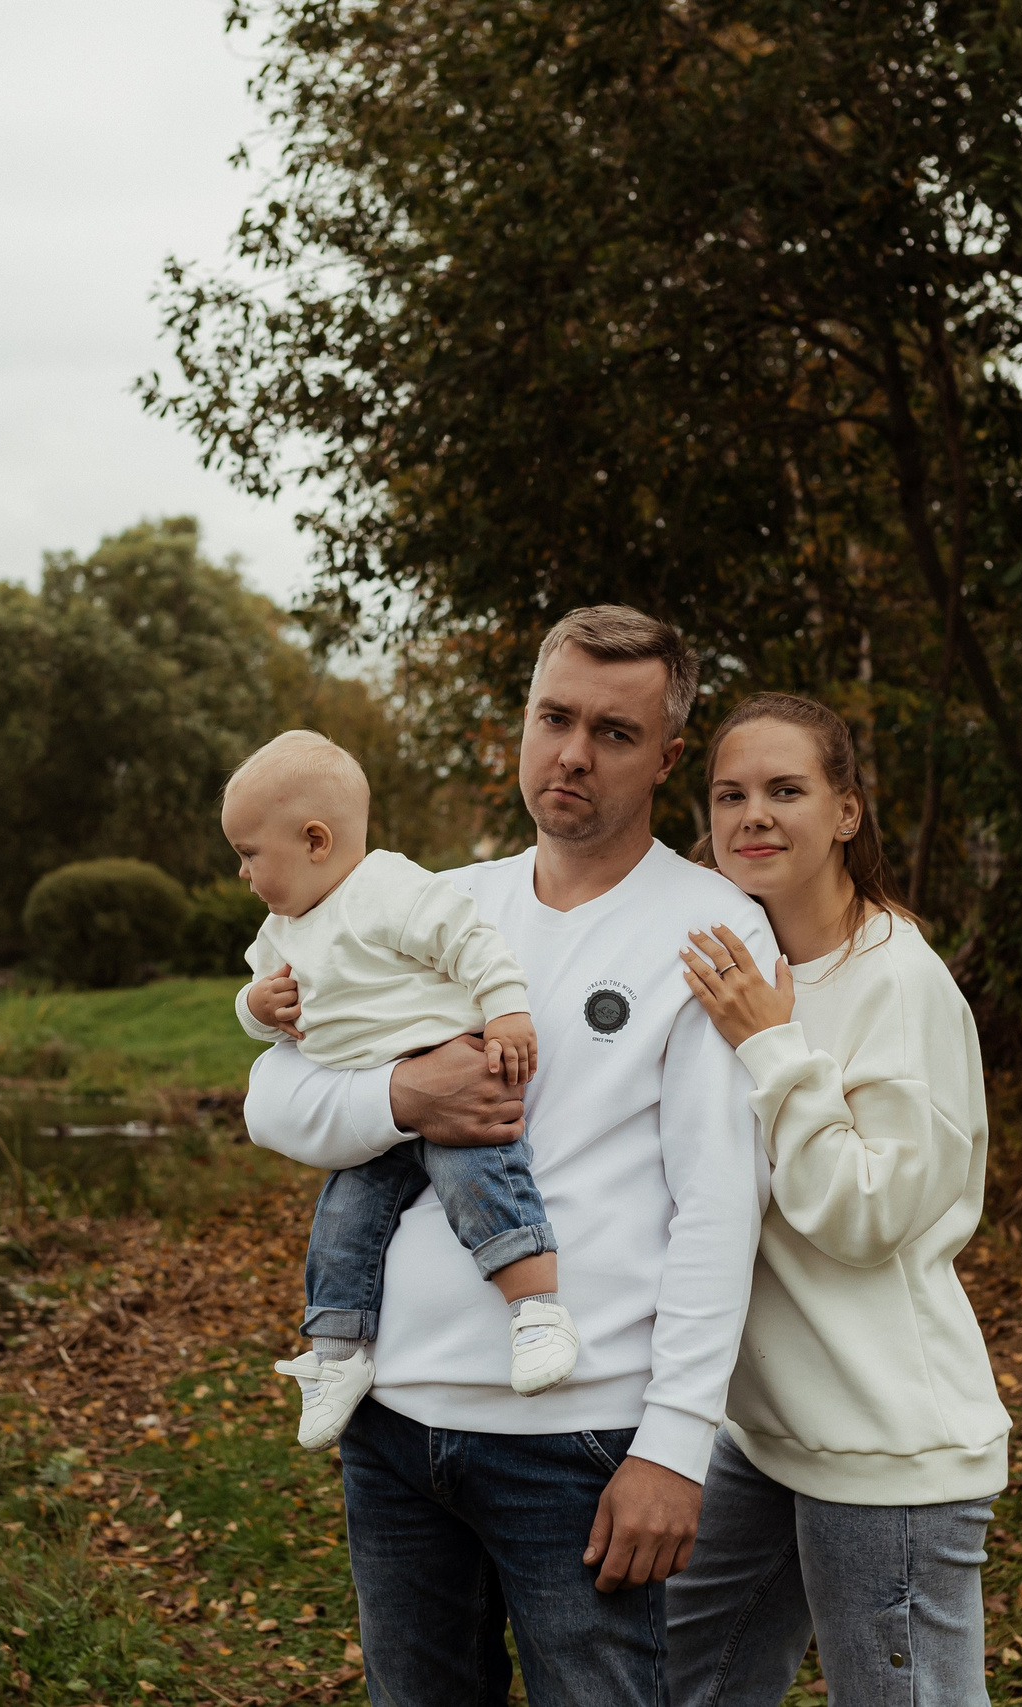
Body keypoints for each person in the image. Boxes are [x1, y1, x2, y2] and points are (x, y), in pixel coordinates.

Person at [242, 606, 769, 1707]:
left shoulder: (710, 927)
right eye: (553, 717)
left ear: (667, 758)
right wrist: (403, 1095)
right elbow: (276, 1097)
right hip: (392, 1430)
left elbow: (721, 1204)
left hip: (574, 1442)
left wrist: (673, 1445)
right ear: (524, 723)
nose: (572, 752)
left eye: (614, 733)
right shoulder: (437, 902)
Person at [665, 691, 1009, 1707]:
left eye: (785, 790)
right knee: (692, 1674)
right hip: (771, 1434)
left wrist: (773, 1049)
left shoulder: (895, 983)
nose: (753, 815)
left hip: (885, 1442)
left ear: (846, 813)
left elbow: (865, 1217)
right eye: (730, 794)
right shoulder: (737, 963)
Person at [223, 729, 581, 1451]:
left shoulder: (388, 888)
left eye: (249, 853)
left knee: (483, 1181)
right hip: (373, 1099)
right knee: (342, 1222)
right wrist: (258, 1009)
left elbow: (472, 942)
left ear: (315, 839)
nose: (241, 872)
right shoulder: (282, 927)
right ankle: (338, 1353)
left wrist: (507, 1009)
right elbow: (256, 1004)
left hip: (445, 1062)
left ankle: (538, 1309)